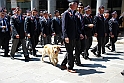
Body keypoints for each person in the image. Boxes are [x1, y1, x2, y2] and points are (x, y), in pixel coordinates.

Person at [61, 2, 83, 73]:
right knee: (70, 52)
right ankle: (70, 67)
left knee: (69, 51)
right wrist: (65, 36)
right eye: (76, 4)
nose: (77, 6)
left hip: (74, 36)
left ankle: (63, 64)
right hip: (68, 37)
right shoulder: (66, 13)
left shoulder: (74, 14)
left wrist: (79, 33)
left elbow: (76, 26)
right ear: (72, 5)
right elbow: (64, 26)